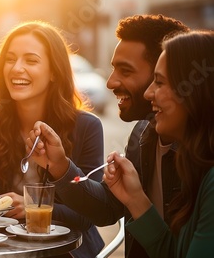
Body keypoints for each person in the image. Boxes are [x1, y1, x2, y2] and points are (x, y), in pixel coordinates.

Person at [26, 15, 189, 258]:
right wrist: (60, 166)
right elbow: (108, 210)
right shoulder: (143, 133)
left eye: (125, 70)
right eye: (113, 69)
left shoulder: (199, 154)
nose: (111, 82)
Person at [0, 21, 104, 258]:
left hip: (65, 253)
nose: (16, 68)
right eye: (10, 59)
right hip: (1, 249)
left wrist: (32, 208)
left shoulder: (87, 127)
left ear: (54, 72)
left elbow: (89, 214)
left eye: (31, 60)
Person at [104, 30, 214, 257]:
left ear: (195, 90)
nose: (148, 93)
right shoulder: (196, 164)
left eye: (160, 82)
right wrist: (134, 198)